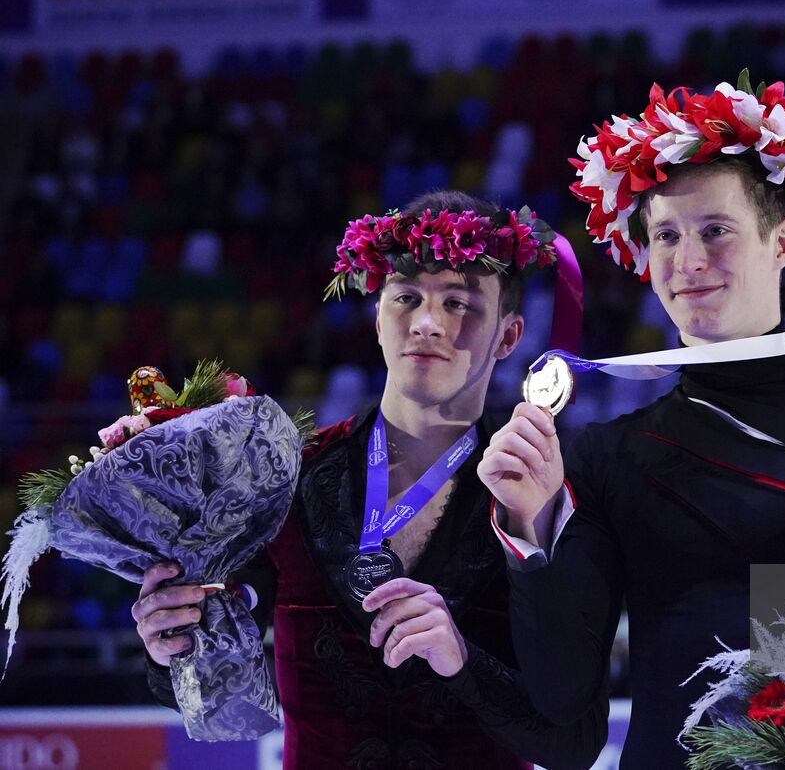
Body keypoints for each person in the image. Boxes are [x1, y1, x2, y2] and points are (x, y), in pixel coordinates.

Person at [478, 77, 785, 766]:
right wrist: (531, 529)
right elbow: (563, 698)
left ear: (781, 242)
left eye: (715, 231)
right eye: (666, 236)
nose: (688, 261)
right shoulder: (607, 456)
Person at [132, 191, 606, 769]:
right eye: (406, 298)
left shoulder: (546, 495)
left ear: (508, 337)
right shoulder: (287, 477)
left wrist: (463, 660)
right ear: (379, 318)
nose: (427, 324)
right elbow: (213, 684)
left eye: (458, 303)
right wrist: (170, 642)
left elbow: (574, 745)